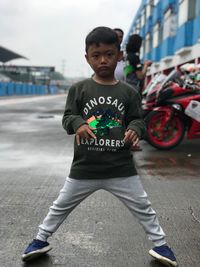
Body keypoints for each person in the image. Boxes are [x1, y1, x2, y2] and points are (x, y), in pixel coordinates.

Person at [21, 26, 177, 267]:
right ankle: (40, 240)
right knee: (60, 206)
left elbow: (138, 119)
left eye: (109, 54)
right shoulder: (79, 89)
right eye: (96, 55)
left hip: (120, 168)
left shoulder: (129, 92)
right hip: (85, 168)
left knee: (143, 207)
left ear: (118, 56)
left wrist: (135, 130)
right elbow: (67, 118)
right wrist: (79, 123)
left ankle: (161, 245)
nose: (103, 60)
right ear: (87, 58)